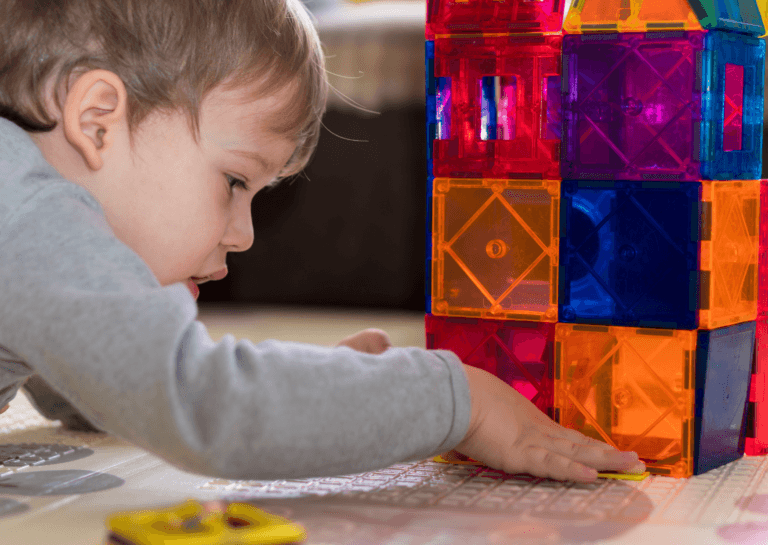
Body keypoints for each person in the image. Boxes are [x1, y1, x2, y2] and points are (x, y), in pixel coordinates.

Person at [0, 0, 644, 482]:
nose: (244, 235)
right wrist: (459, 401)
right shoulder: (29, 212)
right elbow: (203, 403)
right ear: (97, 120)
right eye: (233, 181)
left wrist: (324, 390)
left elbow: (101, 382)